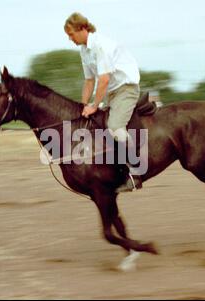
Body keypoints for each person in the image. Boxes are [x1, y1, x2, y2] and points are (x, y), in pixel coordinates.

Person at [64, 12, 142, 193]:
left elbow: (104, 79)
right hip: (110, 94)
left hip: (126, 90)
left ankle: (136, 172)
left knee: (115, 127)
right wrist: (83, 105)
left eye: (71, 34)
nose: (70, 39)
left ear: (83, 29)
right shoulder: (84, 50)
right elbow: (89, 81)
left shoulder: (101, 45)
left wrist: (93, 105)